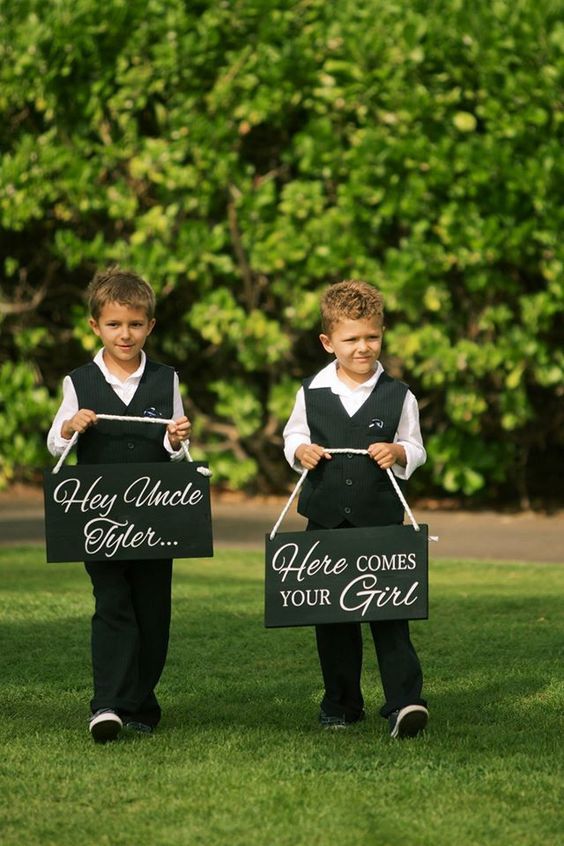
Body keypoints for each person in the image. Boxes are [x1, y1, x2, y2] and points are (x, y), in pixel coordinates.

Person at [47, 266, 191, 743]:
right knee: (112, 605)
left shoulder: (167, 379)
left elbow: (175, 450)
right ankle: (106, 704)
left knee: (153, 613)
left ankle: (140, 706)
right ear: (95, 326)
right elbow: (55, 442)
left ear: (149, 325)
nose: (124, 334)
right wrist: (70, 427)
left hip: (155, 519)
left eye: (134, 324)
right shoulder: (79, 381)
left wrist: (175, 438)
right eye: (114, 324)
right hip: (98, 519)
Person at [283, 279, 428, 738]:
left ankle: (405, 703)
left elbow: (416, 447)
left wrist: (399, 453)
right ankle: (341, 705)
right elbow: (293, 436)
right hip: (325, 522)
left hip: (381, 522)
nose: (363, 347)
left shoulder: (399, 394)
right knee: (333, 621)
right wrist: (300, 452)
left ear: (382, 333)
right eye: (351, 338)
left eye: (372, 336)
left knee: (390, 619)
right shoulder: (310, 392)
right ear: (329, 342)